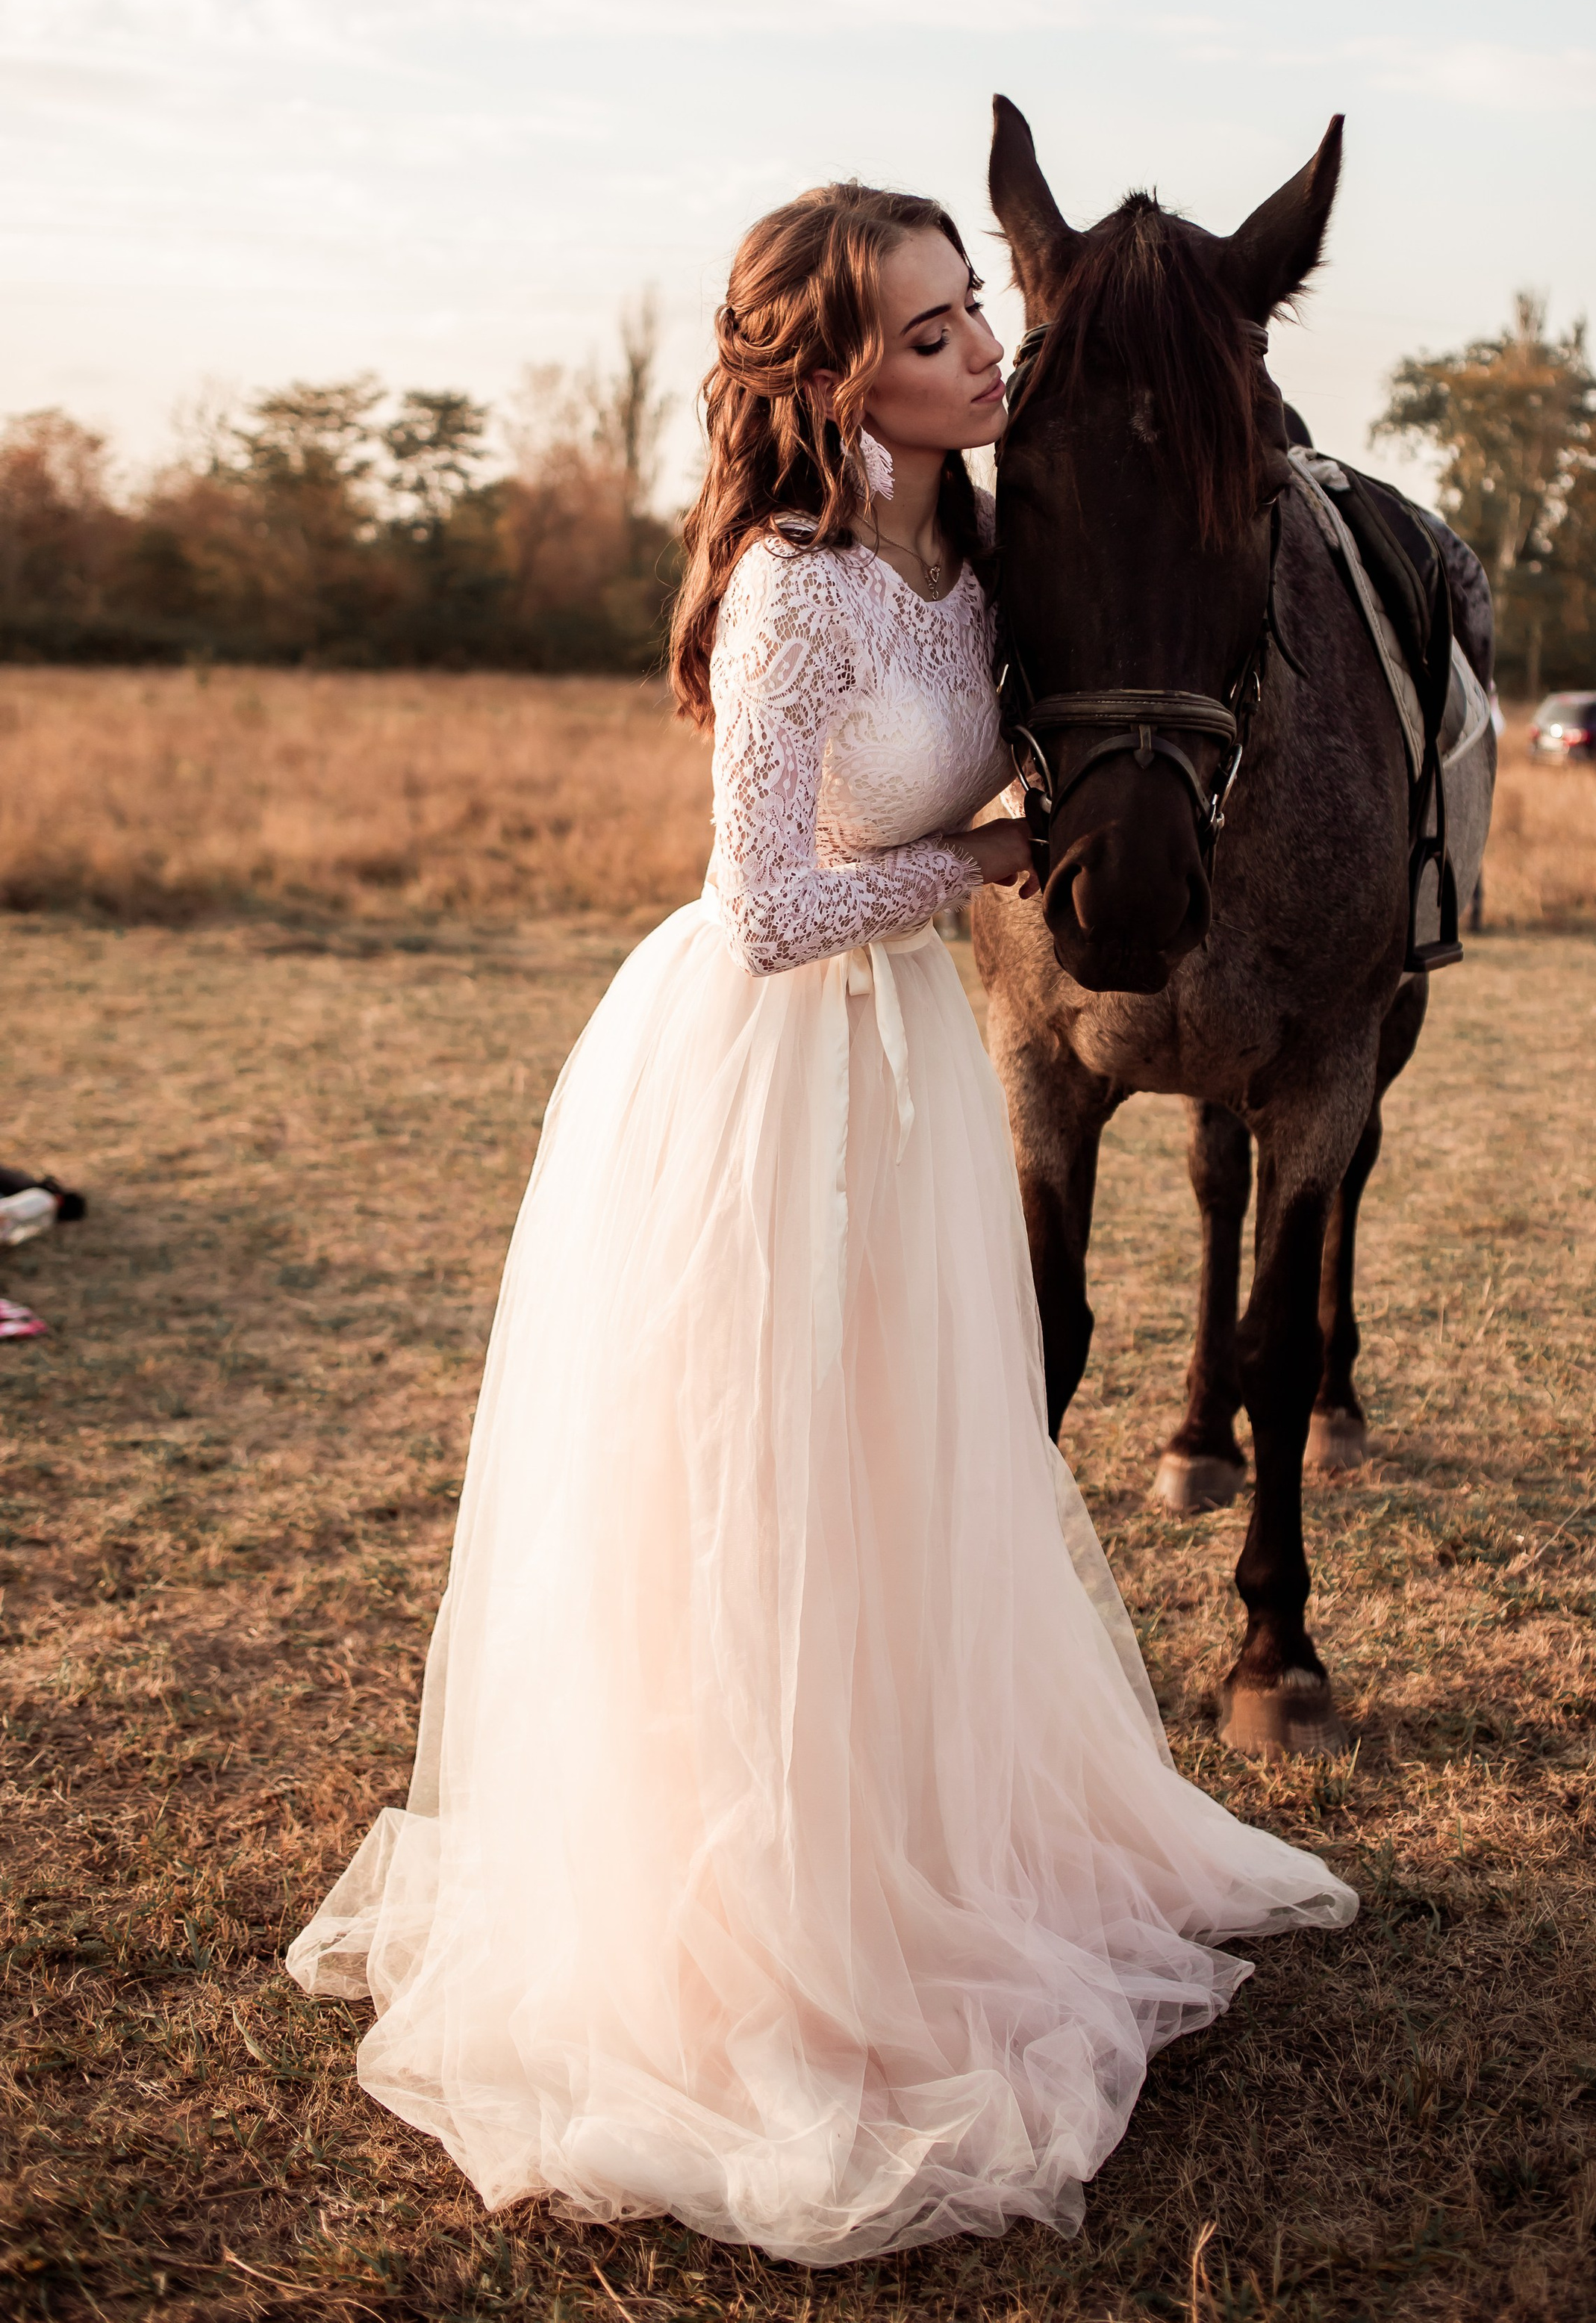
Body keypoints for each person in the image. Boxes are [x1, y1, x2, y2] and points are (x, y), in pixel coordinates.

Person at [287, 181, 1354, 2266]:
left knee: (906, 1466)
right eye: (941, 328)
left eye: (977, 314)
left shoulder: (971, 552)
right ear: (842, 372)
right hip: (769, 1071)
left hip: (913, 1079)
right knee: (761, 1485)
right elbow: (765, 906)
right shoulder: (791, 591)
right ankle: (761, 1923)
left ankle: (917, 1834)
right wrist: (996, 853)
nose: (987, 352)